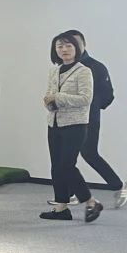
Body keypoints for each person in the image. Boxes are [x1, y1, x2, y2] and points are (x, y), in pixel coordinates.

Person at [40, 32, 103, 223]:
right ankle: (61, 208)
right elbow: (50, 95)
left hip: (75, 125)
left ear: (76, 48)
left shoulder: (83, 71)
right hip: (54, 123)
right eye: (59, 46)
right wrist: (49, 102)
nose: (64, 49)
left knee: (66, 166)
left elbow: (86, 99)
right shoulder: (54, 71)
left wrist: (57, 98)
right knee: (56, 167)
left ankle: (91, 201)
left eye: (68, 45)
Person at [64, 30, 127, 208]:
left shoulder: (96, 67)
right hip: (67, 118)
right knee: (66, 157)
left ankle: (118, 186)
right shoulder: (66, 66)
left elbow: (108, 94)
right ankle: (72, 194)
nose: (70, 47)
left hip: (89, 119)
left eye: (74, 43)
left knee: (89, 153)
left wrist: (92, 107)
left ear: (83, 44)